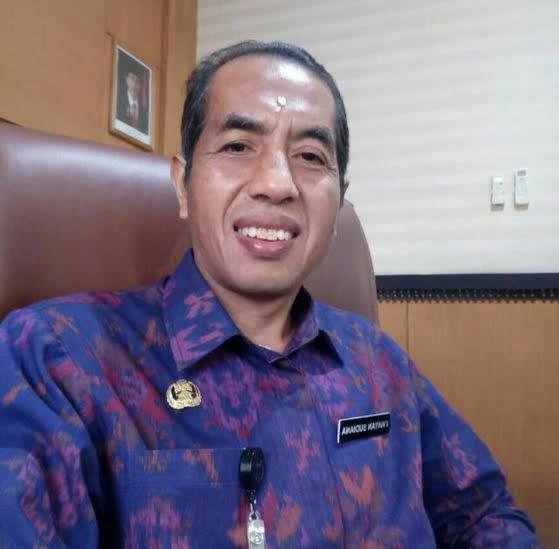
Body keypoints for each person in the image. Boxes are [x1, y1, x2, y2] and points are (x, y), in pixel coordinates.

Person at [0, 41, 540, 548]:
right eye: (238, 146)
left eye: (310, 156)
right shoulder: (59, 359)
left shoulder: (379, 362)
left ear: (338, 202)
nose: (278, 183)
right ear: (183, 185)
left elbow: (485, 514)